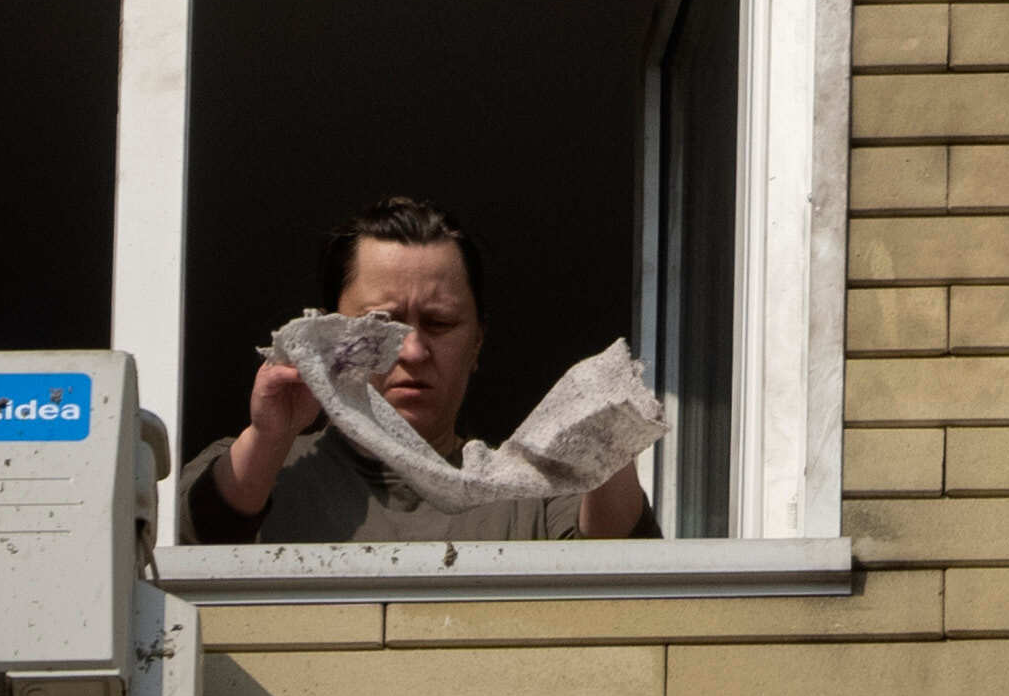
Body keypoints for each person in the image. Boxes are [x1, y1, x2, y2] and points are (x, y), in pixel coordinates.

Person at [173, 196, 659, 542]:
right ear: (327, 336)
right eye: (380, 325)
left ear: (477, 344)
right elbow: (188, 538)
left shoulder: (528, 495)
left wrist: (607, 439)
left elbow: (621, 568)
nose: (412, 351)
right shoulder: (268, 471)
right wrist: (268, 436)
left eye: (440, 323)